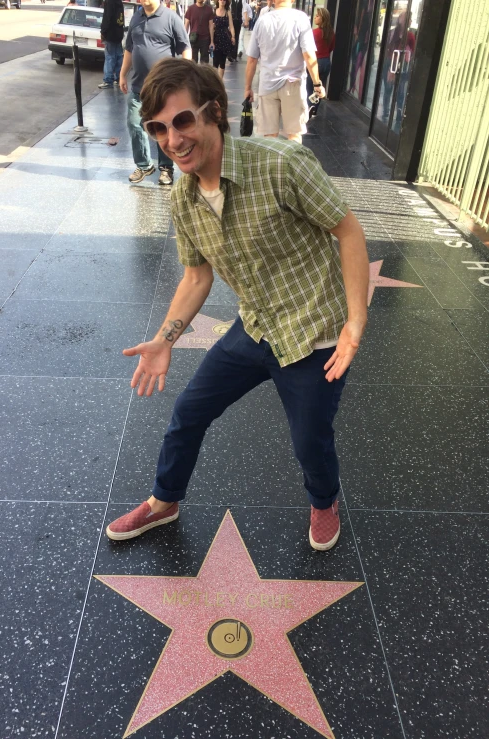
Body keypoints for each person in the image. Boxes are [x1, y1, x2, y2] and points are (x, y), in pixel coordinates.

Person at [106, 58, 369, 552]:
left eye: (182, 121)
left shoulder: (281, 165)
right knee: (188, 411)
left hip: (315, 336)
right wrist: (166, 340)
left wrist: (356, 322)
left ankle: (324, 499)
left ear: (215, 112)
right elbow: (197, 276)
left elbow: (347, 229)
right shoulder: (182, 197)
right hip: (255, 328)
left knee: (310, 441)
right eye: (157, 128)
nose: (172, 139)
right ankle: (165, 501)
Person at [119, 0, 191, 186]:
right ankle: (144, 165)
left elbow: (185, 48)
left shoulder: (170, 18)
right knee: (135, 124)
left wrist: (186, 76)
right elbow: (129, 48)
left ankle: (166, 168)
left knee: (163, 127)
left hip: (163, 88)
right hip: (138, 87)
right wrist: (122, 74)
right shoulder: (136, 17)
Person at [244, 0, 324, 141]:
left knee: (269, 136)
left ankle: (271, 163)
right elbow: (309, 56)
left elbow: (252, 60)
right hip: (292, 84)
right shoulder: (301, 19)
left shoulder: (262, 21)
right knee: (294, 134)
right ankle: (291, 163)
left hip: (267, 84)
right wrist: (317, 84)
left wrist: (248, 87)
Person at [306, 7, 335, 117]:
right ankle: (314, 110)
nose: (315, 17)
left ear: (323, 18)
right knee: (319, 88)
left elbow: (308, 50)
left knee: (310, 88)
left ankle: (309, 108)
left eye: (317, 16)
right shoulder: (331, 33)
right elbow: (331, 47)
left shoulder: (314, 33)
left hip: (315, 63)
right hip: (326, 62)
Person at [98, 0, 125, 89]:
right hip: (118, 33)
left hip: (110, 34)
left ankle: (108, 80)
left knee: (110, 57)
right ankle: (118, 78)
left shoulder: (109, 2)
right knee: (118, 57)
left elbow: (107, 18)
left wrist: (103, 32)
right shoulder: (119, 2)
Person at [211, 0, 236, 79]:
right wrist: (211, 40)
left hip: (225, 39)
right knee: (215, 61)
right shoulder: (214, 11)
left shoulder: (227, 12)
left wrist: (233, 36)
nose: (222, 1)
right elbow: (211, 26)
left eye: (224, 0)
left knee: (222, 62)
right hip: (216, 38)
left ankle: (220, 81)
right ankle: (215, 81)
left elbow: (231, 26)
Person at [184, 0, 215, 64]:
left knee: (204, 63)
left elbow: (211, 26)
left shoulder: (209, 9)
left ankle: (203, 74)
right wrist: (184, 40)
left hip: (205, 39)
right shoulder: (190, 9)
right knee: (193, 62)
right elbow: (186, 25)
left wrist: (212, 42)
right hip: (193, 39)